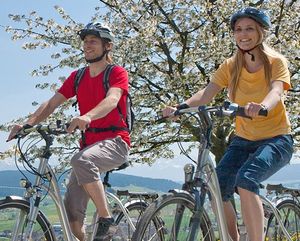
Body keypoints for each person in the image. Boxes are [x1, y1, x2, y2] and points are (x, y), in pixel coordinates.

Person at [163, 7, 294, 241]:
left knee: (246, 180)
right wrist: (180, 108)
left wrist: (262, 106)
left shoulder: (276, 61)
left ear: (261, 32)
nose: (243, 34)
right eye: (238, 30)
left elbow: (276, 90)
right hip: (243, 140)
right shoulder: (230, 65)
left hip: (276, 140)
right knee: (218, 187)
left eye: (249, 29)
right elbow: (207, 94)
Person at [7, 22, 130, 241]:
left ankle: (106, 220)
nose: (87, 45)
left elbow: (112, 99)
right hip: (89, 147)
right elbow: (51, 103)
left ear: (107, 46)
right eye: (85, 41)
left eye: (93, 41)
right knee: (72, 221)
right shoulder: (78, 76)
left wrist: (88, 116)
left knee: (80, 160)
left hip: (116, 142)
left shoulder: (116, 72)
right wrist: (27, 125)